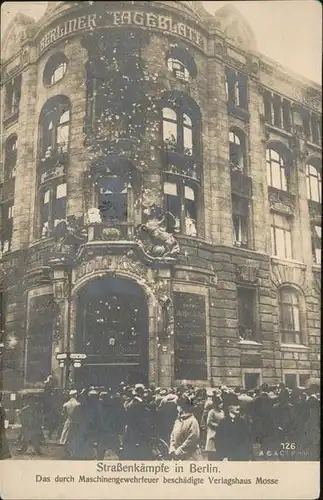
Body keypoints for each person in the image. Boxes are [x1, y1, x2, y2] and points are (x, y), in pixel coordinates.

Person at [169, 394, 201, 461]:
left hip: (190, 457)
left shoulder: (193, 421)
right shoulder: (178, 420)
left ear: (182, 407)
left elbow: (192, 439)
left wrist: (179, 451)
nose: (177, 408)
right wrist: (172, 449)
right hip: (177, 456)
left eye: (178, 406)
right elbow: (172, 435)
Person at [205, 394, 224, 460]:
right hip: (213, 433)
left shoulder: (222, 411)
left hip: (221, 433)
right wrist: (218, 426)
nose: (222, 404)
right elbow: (209, 422)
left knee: (220, 452)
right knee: (212, 452)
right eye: (220, 403)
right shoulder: (211, 412)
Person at [0, 395, 11, 459]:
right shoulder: (1, 407)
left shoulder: (1, 407)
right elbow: (4, 417)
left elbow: (4, 418)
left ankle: (4, 454)